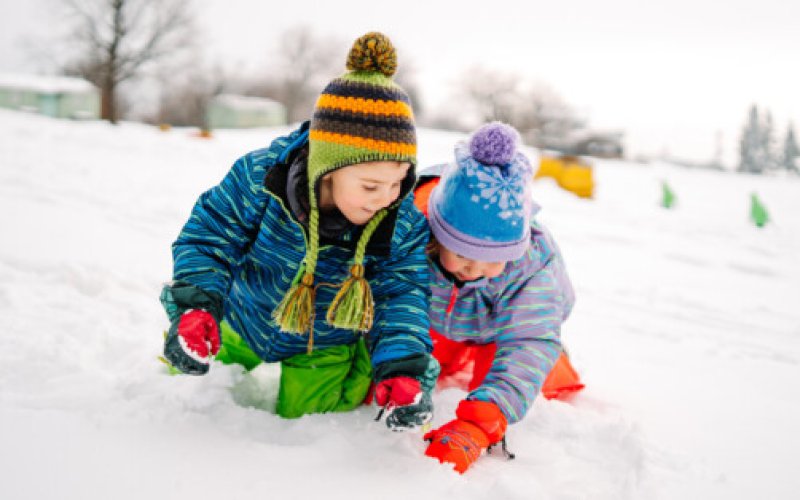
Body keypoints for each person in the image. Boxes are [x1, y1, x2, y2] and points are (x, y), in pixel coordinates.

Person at [159, 32, 436, 430]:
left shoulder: (400, 221)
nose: (385, 199)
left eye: (397, 183)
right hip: (241, 317)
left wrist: (401, 367)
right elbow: (209, 238)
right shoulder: (261, 179)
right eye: (371, 186)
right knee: (182, 381)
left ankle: (357, 372)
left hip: (323, 343)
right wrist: (197, 306)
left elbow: (401, 294)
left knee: (309, 426)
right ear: (328, 167)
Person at [415, 122, 583, 473]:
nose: (474, 269)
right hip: (440, 322)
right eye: (461, 255)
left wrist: (479, 424)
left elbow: (528, 342)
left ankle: (552, 360)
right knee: (417, 368)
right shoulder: (414, 232)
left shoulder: (531, 267)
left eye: (492, 260)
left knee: (515, 377)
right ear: (438, 234)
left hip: (502, 330)